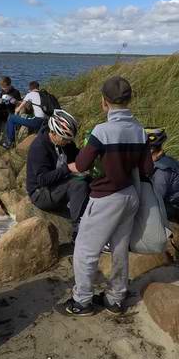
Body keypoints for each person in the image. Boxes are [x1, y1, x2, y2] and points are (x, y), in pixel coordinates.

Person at [59, 76, 153, 316]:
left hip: (105, 197)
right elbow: (147, 170)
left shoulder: (102, 131)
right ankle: (115, 298)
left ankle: (82, 302)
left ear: (104, 102)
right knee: (120, 249)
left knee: (85, 250)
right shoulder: (139, 130)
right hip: (130, 196)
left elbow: (81, 165)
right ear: (129, 99)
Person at [25, 109, 90, 228]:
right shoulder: (39, 147)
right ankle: (78, 227)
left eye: (69, 139)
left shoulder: (64, 143)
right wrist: (68, 168)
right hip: (40, 192)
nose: (67, 142)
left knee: (90, 179)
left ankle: (95, 217)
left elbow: (77, 156)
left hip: (56, 184)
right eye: (64, 139)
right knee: (78, 185)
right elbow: (42, 179)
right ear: (53, 133)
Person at [144, 127, 179, 220]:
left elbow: (156, 199)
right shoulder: (163, 160)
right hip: (164, 202)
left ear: (151, 149)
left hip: (168, 208)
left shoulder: (162, 171)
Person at [3, 80, 46, 148]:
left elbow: (18, 109)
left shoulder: (30, 94)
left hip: (37, 121)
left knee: (11, 118)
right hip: (45, 121)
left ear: (30, 88)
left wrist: (16, 111)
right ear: (38, 88)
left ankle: (9, 142)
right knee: (27, 117)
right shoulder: (44, 94)